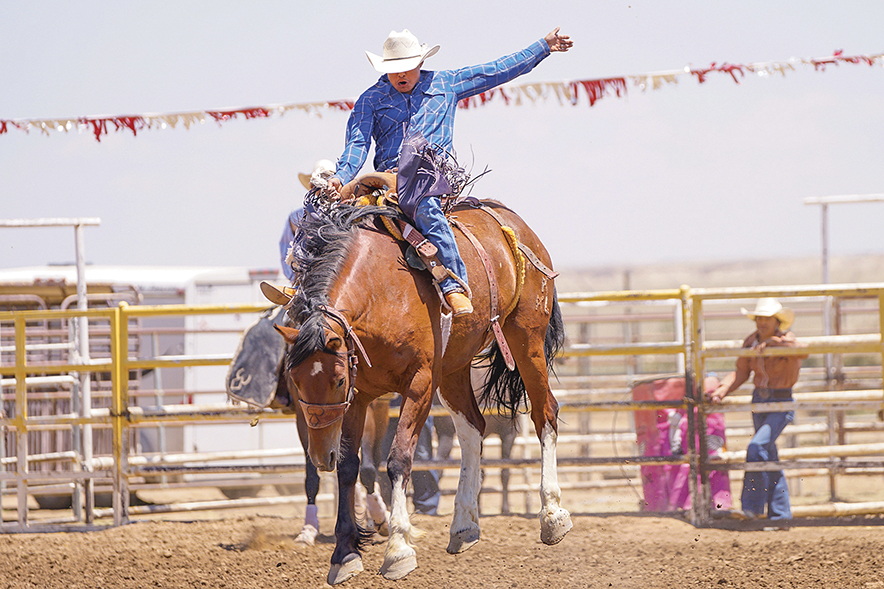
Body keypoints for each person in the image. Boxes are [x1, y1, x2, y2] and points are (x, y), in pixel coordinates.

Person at [328, 28, 573, 317]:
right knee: (329, 215)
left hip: (429, 174)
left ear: (419, 64)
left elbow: (498, 70)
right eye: (394, 70)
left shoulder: (446, 83)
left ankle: (454, 283)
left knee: (425, 207)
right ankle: (308, 288)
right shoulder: (371, 99)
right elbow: (357, 144)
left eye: (407, 68)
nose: (401, 76)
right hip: (387, 180)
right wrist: (341, 178)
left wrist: (542, 47)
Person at [707, 298, 808, 520]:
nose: (762, 322)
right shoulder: (751, 342)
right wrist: (722, 389)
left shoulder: (786, 340)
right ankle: (780, 516)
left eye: (766, 318)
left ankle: (751, 508)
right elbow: (741, 372)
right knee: (767, 454)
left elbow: (802, 352)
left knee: (756, 447)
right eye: (759, 318)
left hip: (781, 401)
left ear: (776, 321)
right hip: (760, 401)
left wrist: (773, 343)